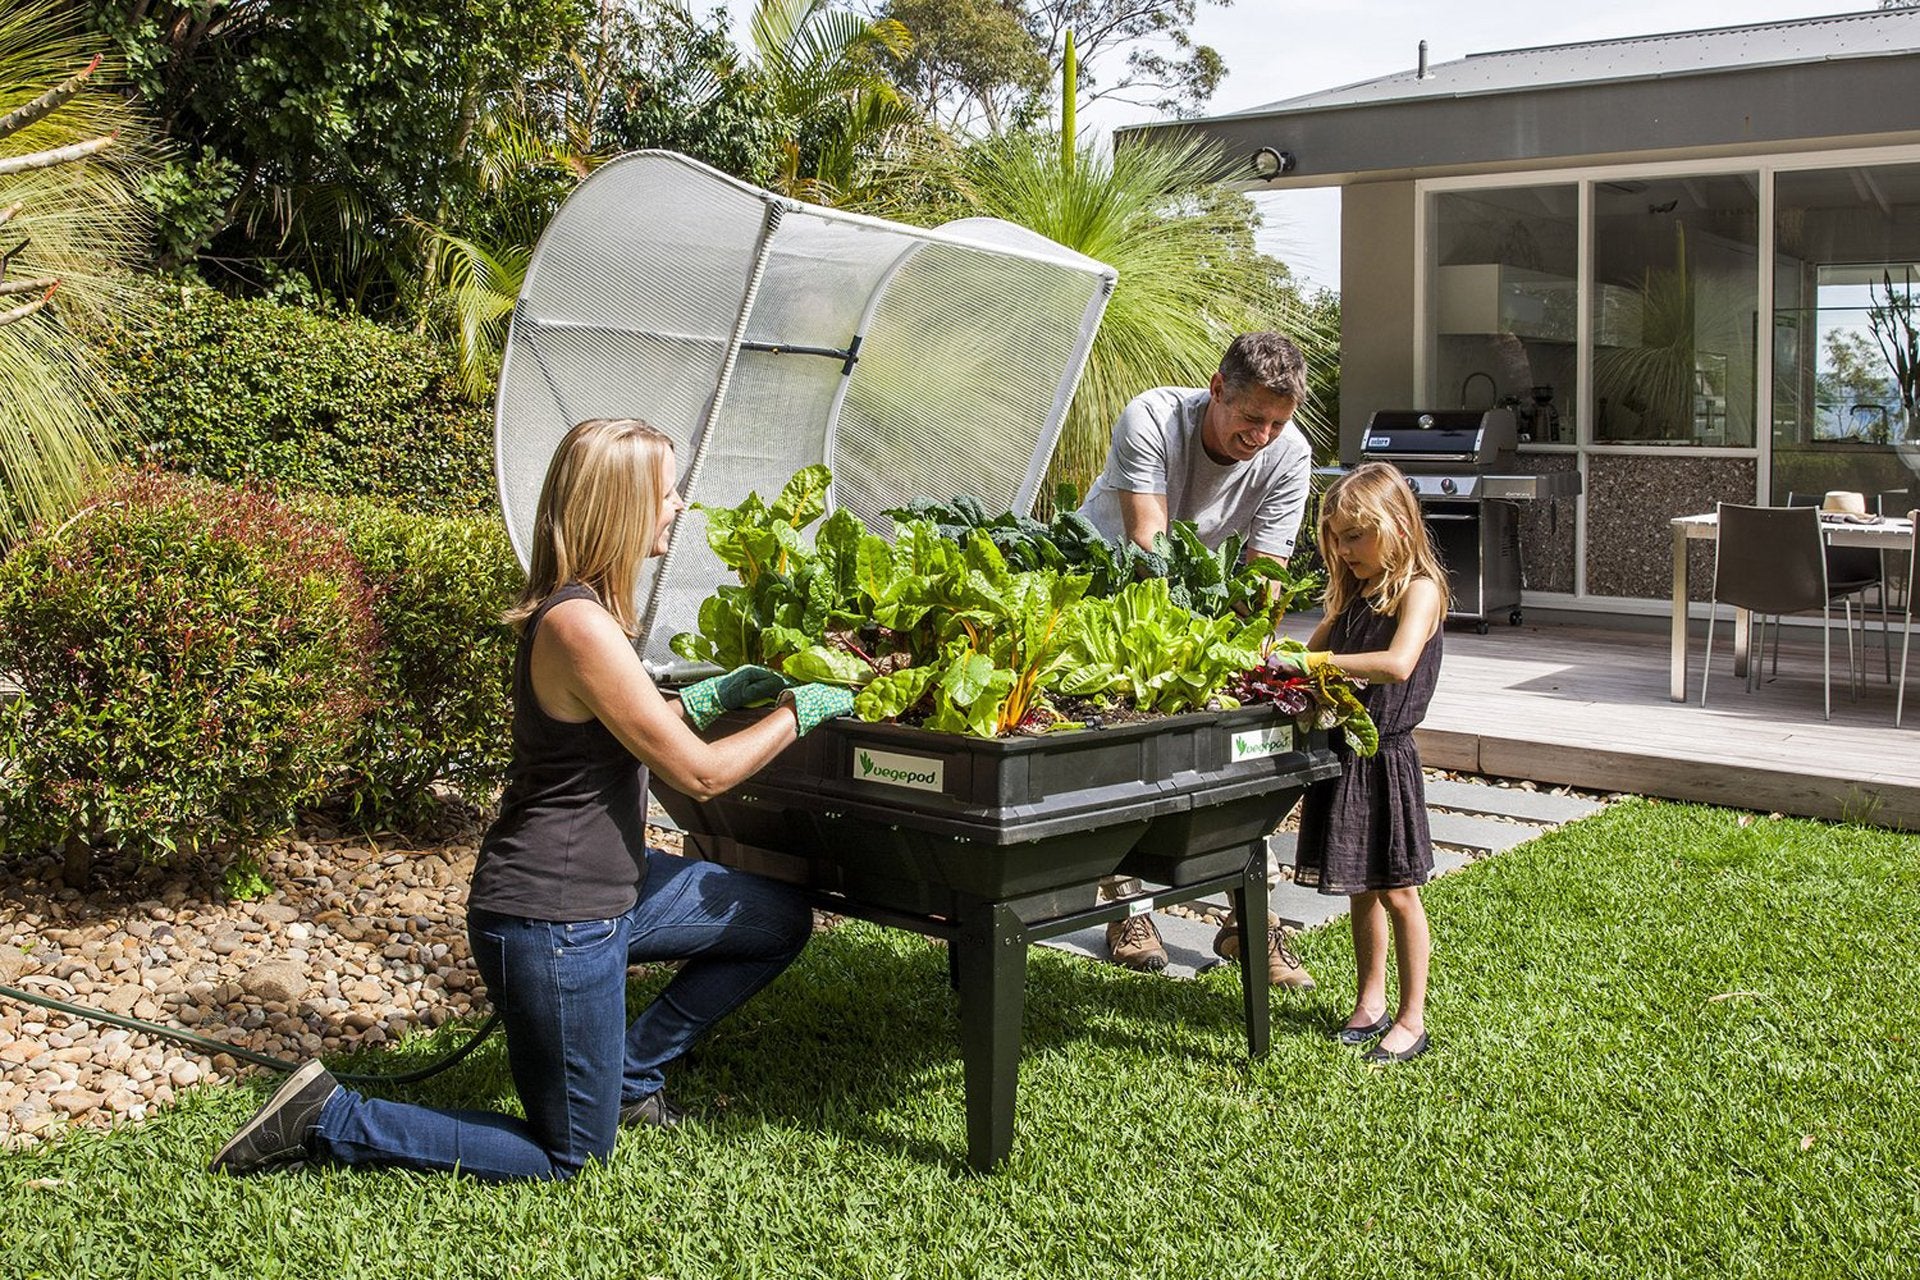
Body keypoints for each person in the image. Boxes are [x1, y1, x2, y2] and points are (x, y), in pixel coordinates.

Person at [210, 417, 854, 1181]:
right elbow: (699, 774)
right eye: (666, 492)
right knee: (568, 1157)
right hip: (555, 918)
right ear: (617, 506)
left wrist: (712, 696)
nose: (679, 506)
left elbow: (637, 729)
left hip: (616, 890)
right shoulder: (579, 624)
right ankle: (327, 1117)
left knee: (776, 918)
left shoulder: (592, 615)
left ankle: (628, 1077)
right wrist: (798, 711)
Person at [1078, 331, 1316, 984]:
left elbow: (1265, 573)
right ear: (1216, 389)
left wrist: (1251, 664)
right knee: (1126, 753)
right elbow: (1149, 548)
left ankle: (1253, 926)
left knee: (1242, 758)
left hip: (1188, 603)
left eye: (1276, 422)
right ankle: (1127, 907)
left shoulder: (1288, 454)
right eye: (1251, 419)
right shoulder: (1152, 417)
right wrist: (1188, 655)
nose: (1263, 437)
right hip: (1106, 593)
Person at [1284, 461, 1445, 1063]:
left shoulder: (1420, 591)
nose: (1345, 549)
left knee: (1398, 890)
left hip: (1387, 758)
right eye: (1336, 538)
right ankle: (1370, 999)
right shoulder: (1353, 595)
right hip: (1347, 749)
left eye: (1356, 535)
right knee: (1360, 887)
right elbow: (1308, 650)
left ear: (1396, 526)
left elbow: (1399, 663)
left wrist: (1316, 668)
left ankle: (1412, 1017)